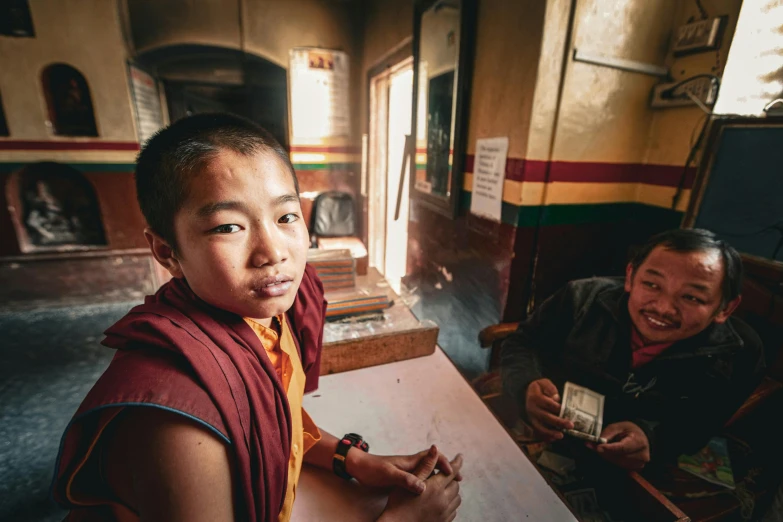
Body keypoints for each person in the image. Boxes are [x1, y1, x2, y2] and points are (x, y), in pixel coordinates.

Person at [52, 113, 463, 522]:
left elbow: (273, 424)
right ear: (166, 251)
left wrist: (350, 459)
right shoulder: (174, 420)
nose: (273, 253)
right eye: (229, 227)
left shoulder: (267, 314)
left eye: (286, 217)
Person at [501, 228, 765, 470]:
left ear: (725, 308)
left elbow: (701, 426)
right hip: (550, 434)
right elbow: (523, 342)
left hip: (638, 470)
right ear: (630, 277)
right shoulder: (580, 298)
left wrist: (652, 438)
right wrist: (526, 385)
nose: (662, 308)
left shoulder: (739, 353)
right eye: (651, 284)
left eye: (692, 297)